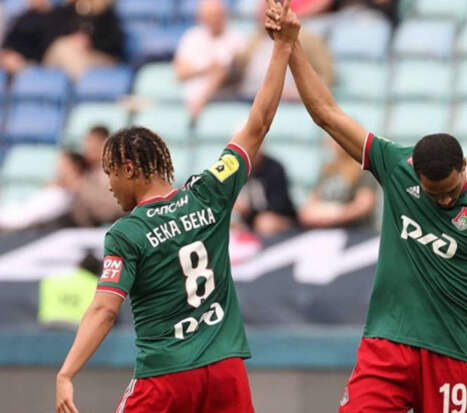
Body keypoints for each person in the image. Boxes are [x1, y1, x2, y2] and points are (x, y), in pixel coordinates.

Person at [266, 4, 467, 413]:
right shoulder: (394, 165)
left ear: (464, 166)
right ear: (416, 173)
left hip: (450, 353)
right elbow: (327, 114)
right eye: (433, 194)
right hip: (386, 344)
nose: (444, 201)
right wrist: (291, 43)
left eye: (450, 192)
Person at [55, 4, 300, 413]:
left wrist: (67, 373)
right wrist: (283, 47)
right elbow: (258, 123)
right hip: (225, 370)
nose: (110, 185)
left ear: (129, 169)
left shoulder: (127, 232)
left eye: (111, 173)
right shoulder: (209, 192)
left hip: (166, 377)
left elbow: (104, 309)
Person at [237, 0, 333, 102]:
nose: (260, 16)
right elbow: (240, 66)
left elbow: (326, 74)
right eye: (260, 12)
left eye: (266, 12)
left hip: (289, 101)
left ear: (281, 12)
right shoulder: (256, 38)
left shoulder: (308, 38)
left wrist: (301, 94)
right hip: (250, 98)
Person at [174, 0, 246, 118]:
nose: (214, 19)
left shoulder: (236, 39)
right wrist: (207, 68)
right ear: (202, 18)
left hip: (222, 99)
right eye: (210, 15)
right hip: (188, 98)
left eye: (217, 15)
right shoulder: (192, 37)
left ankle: (198, 105)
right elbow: (180, 73)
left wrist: (202, 99)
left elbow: (228, 71)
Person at [299, 138, 376, 228]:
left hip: (353, 230)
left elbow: (364, 206)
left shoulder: (363, 169)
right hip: (324, 229)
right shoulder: (327, 168)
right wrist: (312, 215)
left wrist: (335, 215)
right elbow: (311, 203)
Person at [43, 0, 124, 80]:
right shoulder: (66, 11)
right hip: (70, 54)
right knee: (61, 48)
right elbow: (52, 37)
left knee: (66, 52)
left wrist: (90, 42)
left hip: (99, 57)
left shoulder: (105, 13)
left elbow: (114, 44)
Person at [70, 125, 124, 227]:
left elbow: (112, 211)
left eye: (92, 143)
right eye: (87, 142)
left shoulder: (114, 173)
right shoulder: (87, 170)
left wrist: (82, 189)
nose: (87, 147)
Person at [234, 148, 297, 236]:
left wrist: (248, 207)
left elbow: (279, 204)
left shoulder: (274, 168)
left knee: (265, 223)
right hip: (248, 220)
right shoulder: (237, 169)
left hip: (277, 217)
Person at [38, 250, 102, 327]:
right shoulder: (97, 284)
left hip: (49, 323)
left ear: (79, 266)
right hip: (77, 325)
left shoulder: (51, 281)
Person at [0, 0, 54, 74]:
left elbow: (45, 46)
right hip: (9, 55)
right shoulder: (24, 16)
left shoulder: (53, 17)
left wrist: (22, 60)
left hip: (31, 62)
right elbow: (10, 39)